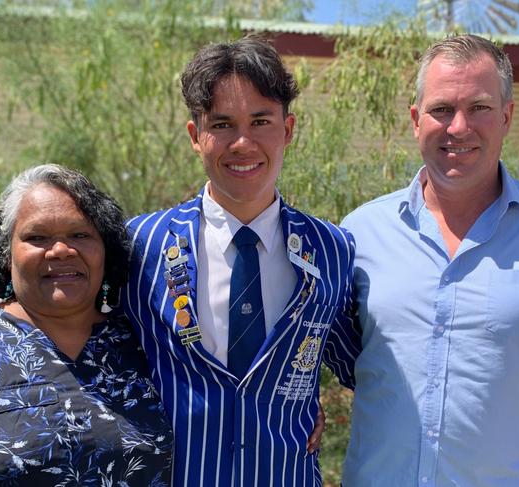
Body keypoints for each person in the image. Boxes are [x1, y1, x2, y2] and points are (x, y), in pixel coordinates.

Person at [341, 34, 519, 486]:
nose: (458, 127)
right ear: (416, 120)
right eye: (441, 110)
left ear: (506, 117)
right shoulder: (359, 233)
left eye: (480, 108)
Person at [122, 36, 361, 486]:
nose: (243, 143)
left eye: (260, 121)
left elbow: (366, 369)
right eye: (223, 124)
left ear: (287, 130)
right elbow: (88, 347)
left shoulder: (332, 250)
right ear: (196, 136)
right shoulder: (141, 244)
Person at [0, 164, 173, 486]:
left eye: (80, 234)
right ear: (6, 253)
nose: (61, 250)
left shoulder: (145, 337)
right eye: (37, 237)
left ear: (106, 249)